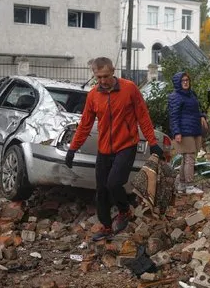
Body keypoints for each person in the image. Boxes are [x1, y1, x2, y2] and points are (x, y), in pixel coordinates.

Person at [64, 57, 163, 241]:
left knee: (114, 183)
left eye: (106, 76)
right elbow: (85, 124)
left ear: (113, 71)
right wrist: (72, 149)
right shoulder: (93, 95)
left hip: (126, 145)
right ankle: (106, 227)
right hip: (104, 149)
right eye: (98, 77)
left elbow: (143, 115)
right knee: (101, 190)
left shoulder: (129, 88)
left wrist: (153, 142)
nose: (102, 80)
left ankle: (124, 211)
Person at [168, 71, 208, 194]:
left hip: (194, 129)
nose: (185, 82)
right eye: (183, 80)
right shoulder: (175, 96)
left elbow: (196, 109)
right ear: (178, 83)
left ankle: (182, 184)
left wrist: (201, 116)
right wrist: (176, 132)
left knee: (187, 158)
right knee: (190, 158)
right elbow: (173, 116)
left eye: (187, 80)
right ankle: (190, 186)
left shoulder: (191, 94)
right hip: (184, 131)